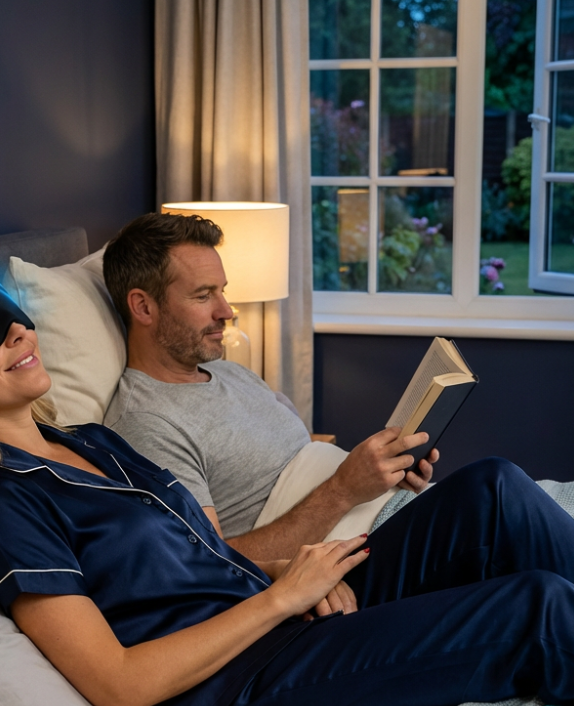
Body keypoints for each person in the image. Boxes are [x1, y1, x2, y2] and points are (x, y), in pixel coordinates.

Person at [0, 259, 574, 706]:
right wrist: (278, 601)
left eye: (12, 318)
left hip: (274, 615)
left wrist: (291, 576)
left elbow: (200, 556)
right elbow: (117, 687)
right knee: (534, 610)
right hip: (232, 685)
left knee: (492, 492)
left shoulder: (89, 440)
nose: (18, 333)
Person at [101, 211, 440, 563]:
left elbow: (304, 459)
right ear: (143, 307)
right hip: (366, 553)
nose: (226, 311)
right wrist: (344, 489)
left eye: (222, 291)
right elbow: (209, 564)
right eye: (203, 296)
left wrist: (383, 476)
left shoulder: (231, 373)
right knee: (479, 487)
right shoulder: (147, 424)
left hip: (391, 512)